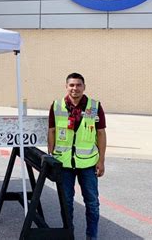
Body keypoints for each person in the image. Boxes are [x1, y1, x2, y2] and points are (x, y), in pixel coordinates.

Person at [47, 73, 107, 240]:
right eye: (71, 85)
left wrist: (101, 161)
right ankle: (69, 235)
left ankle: (91, 237)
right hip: (64, 164)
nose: (75, 88)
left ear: (84, 87)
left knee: (92, 204)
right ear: (66, 87)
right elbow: (51, 131)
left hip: (88, 164)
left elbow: (101, 134)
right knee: (66, 204)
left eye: (78, 85)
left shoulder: (94, 106)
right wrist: (51, 157)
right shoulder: (57, 105)